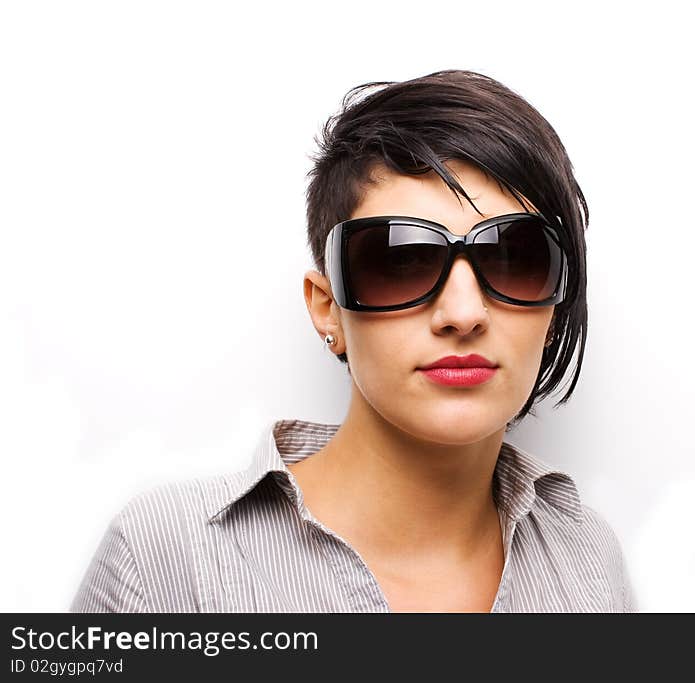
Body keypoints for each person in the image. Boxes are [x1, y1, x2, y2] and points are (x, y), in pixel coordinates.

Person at [70, 69, 636, 613]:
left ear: (556, 305)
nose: (463, 314)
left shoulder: (586, 559)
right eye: (400, 261)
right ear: (327, 310)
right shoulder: (164, 561)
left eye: (515, 260)